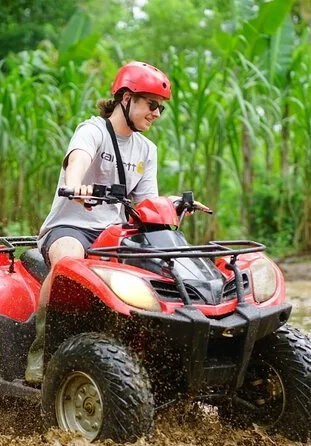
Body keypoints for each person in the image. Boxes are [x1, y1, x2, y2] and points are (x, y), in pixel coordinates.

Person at [25, 61, 207, 384]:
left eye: (161, 108)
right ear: (126, 98)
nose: (157, 114)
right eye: (151, 104)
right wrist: (76, 184)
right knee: (68, 263)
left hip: (115, 235)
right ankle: (41, 355)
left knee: (161, 270)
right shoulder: (93, 130)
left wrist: (173, 204)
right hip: (71, 228)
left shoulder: (146, 150)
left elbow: (146, 204)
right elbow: (78, 159)